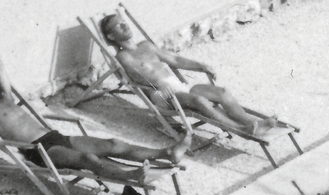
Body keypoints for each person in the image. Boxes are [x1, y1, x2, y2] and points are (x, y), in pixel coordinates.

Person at [0, 43, 189, 188]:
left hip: (55, 137)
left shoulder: (7, 98)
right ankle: (131, 175)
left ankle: (167, 153)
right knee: (89, 160)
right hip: (39, 151)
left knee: (112, 143)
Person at [98, 13, 292, 140]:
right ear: (112, 36)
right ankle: (241, 130)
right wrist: (157, 90)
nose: (124, 26)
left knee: (222, 92)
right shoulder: (123, 56)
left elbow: (174, 59)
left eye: (124, 22)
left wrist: (201, 66)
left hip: (178, 86)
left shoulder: (146, 46)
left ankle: (252, 124)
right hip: (161, 94)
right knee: (198, 100)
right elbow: (137, 80)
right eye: (118, 26)